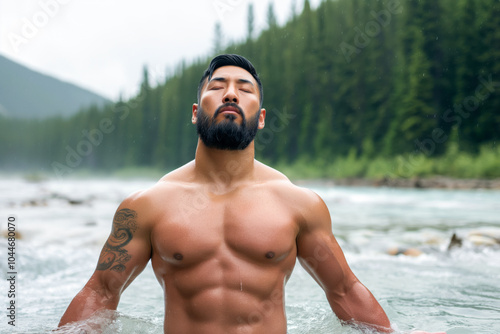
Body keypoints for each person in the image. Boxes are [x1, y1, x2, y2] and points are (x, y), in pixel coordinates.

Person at [59, 54, 445, 334]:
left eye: (244, 90)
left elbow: (344, 290)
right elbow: (101, 293)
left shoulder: (299, 204)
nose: (231, 95)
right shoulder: (147, 206)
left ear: (260, 116)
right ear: (196, 111)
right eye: (218, 87)